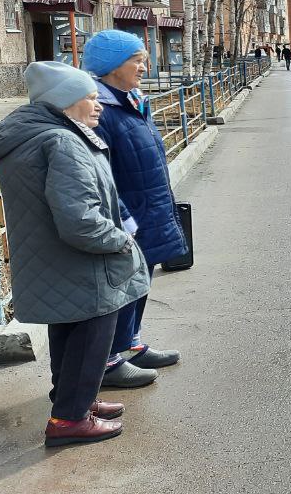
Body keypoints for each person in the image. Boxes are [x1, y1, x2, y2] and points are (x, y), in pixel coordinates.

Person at [0, 62, 151, 447]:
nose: (99, 105)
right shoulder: (63, 141)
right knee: (90, 337)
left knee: (70, 335)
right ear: (64, 101)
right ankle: (70, 420)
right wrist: (121, 240)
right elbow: (80, 220)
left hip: (54, 260)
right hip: (81, 262)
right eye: (90, 98)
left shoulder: (35, 134)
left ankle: (74, 404)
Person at [83, 30, 187, 388]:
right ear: (113, 67)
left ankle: (131, 342)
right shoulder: (101, 111)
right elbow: (101, 173)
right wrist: (123, 217)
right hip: (129, 215)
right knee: (122, 286)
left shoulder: (132, 100)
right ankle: (109, 362)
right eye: (137, 60)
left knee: (142, 281)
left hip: (149, 205)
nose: (145, 67)